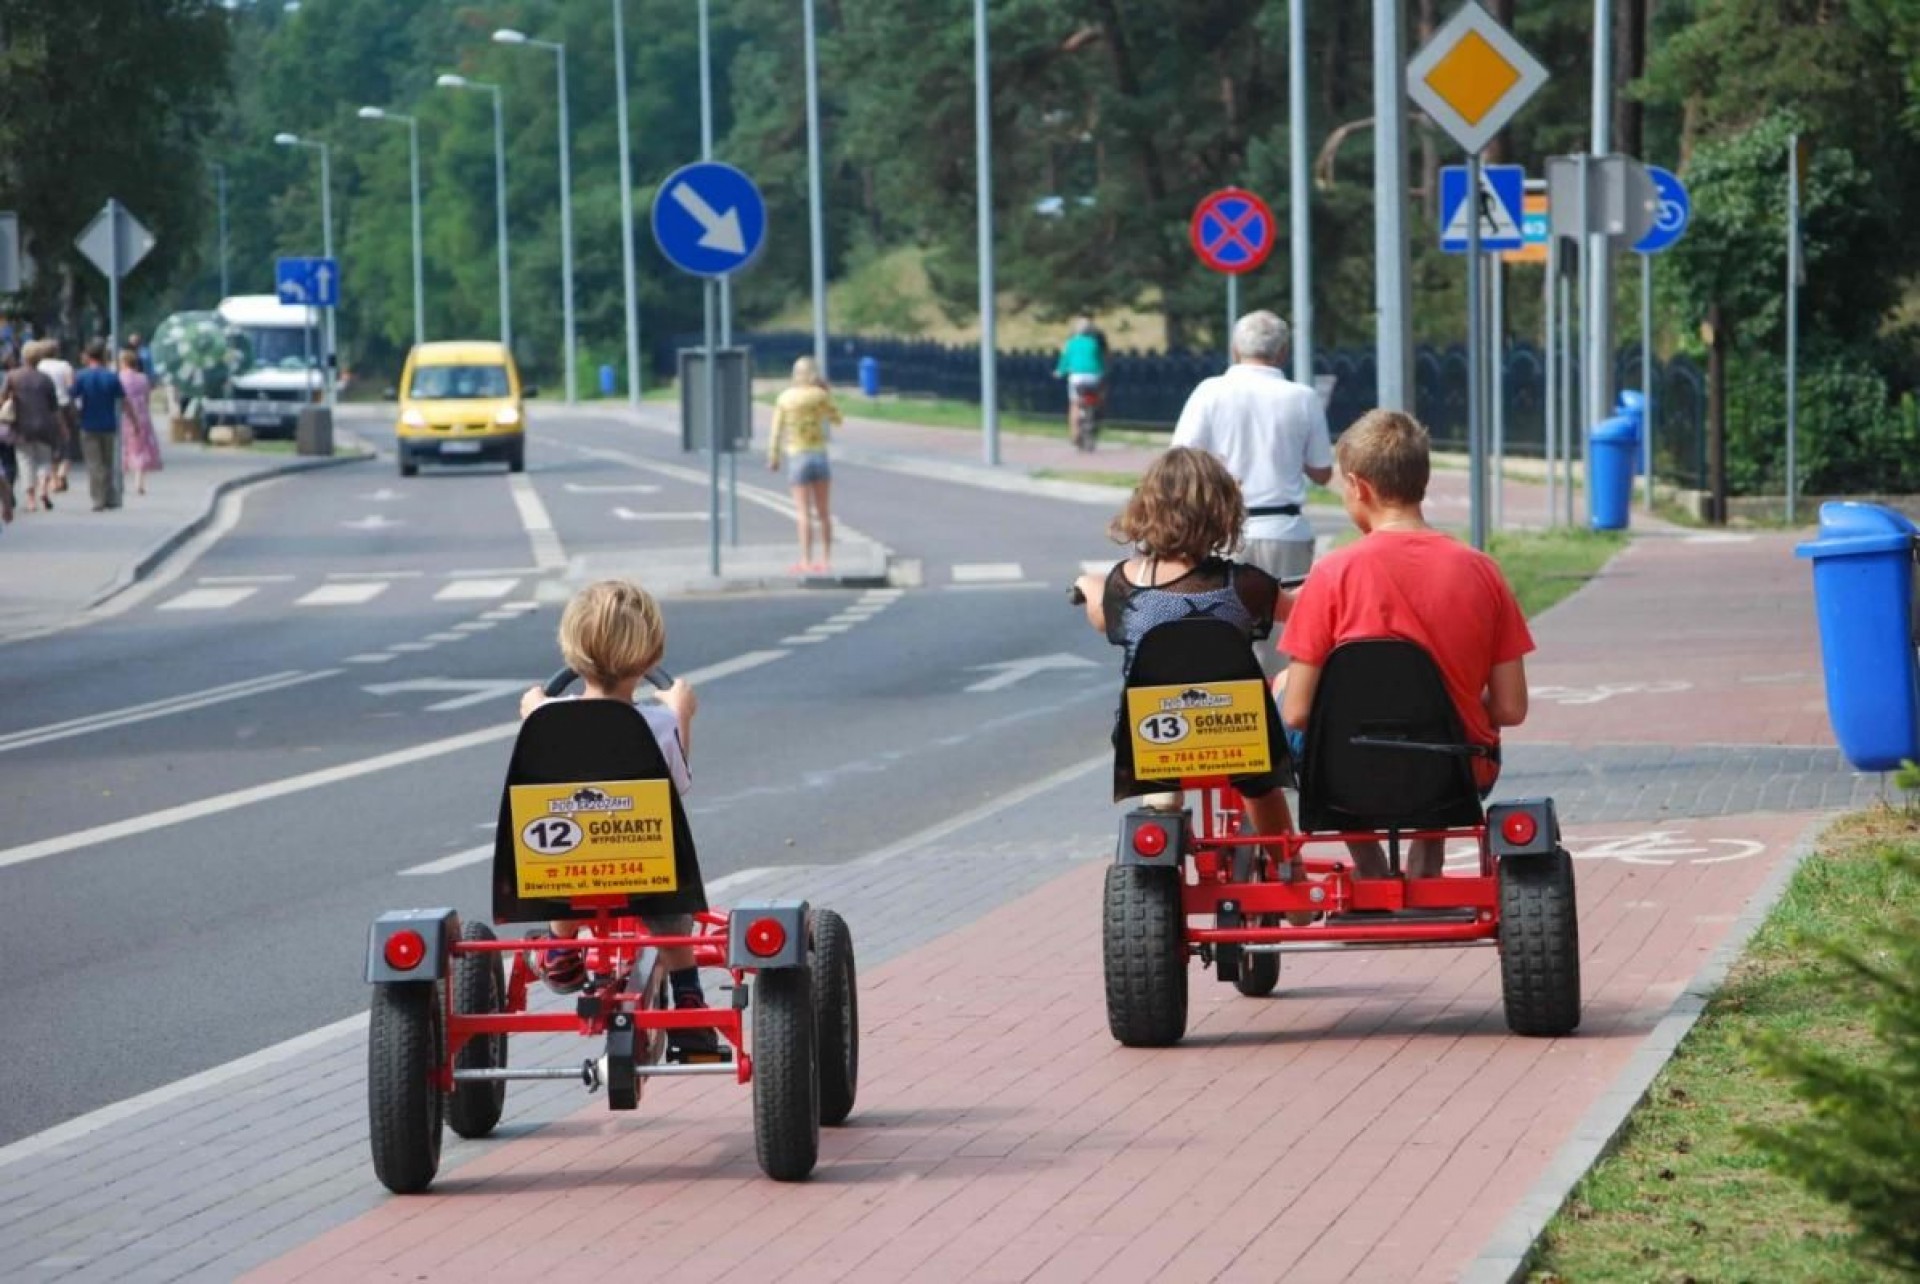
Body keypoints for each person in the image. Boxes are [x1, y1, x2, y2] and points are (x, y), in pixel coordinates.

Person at [1277, 409, 1534, 881]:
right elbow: (1512, 708)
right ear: (1422, 479)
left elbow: (1296, 713)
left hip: (1344, 774)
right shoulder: (1482, 571)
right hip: (1451, 772)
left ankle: (1369, 863)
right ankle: (1427, 853)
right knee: (1451, 707)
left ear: (1360, 487)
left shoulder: (1333, 574)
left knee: (1283, 685)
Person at [1072, 448, 1307, 908]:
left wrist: (1086, 584)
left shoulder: (1123, 586)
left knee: (1161, 767)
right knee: (1261, 787)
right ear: (1223, 513)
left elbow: (1102, 617)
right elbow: (1298, 612)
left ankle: (1164, 805)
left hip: (1154, 737)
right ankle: (1289, 873)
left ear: (1146, 508)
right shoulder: (1245, 585)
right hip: (1239, 735)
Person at [517, 579, 720, 1057]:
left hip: (563, 873)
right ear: (649, 657)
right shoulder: (660, 722)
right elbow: (678, 787)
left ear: (573, 651)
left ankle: (562, 946)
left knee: (556, 856)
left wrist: (533, 712)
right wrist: (681, 715)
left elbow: (539, 788)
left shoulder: (547, 720)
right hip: (648, 869)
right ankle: (688, 998)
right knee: (671, 909)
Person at [1171, 310, 1333, 589]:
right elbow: (1322, 472)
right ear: (1283, 352)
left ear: (1235, 349)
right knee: (1284, 628)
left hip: (1219, 530)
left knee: (1224, 627)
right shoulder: (1303, 398)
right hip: (1285, 531)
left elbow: (1178, 464)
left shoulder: (1209, 392)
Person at [767, 356, 843, 574]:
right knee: (824, 512)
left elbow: (776, 430)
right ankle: (827, 559)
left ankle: (806, 560)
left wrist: (773, 456)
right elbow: (837, 419)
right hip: (819, 455)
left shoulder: (784, 398)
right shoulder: (819, 396)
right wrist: (827, 394)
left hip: (798, 456)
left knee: (803, 513)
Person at [3, 343, 68, 513]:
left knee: (25, 462)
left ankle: (31, 499)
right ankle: (44, 491)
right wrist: (62, 427)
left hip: (21, 426)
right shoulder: (45, 379)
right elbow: (54, 407)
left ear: (24, 357)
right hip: (44, 426)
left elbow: (2, 399)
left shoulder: (13, 376)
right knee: (44, 460)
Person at [68, 340, 125, 512]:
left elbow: (71, 396)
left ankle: (98, 499)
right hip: (108, 424)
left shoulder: (81, 376)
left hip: (88, 424)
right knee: (108, 463)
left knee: (94, 464)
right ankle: (111, 497)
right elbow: (122, 399)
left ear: (88, 356)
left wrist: (74, 415)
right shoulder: (111, 376)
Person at [1055, 316, 1106, 450]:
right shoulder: (1094, 343)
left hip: (1077, 378)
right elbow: (1100, 360)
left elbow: (1064, 360)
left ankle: (1075, 434)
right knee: (1097, 398)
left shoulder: (1070, 343)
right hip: (1094, 376)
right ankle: (1095, 413)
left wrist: (1060, 371)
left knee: (1074, 404)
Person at [117, 348, 162, 496]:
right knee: (140, 449)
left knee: (123, 448)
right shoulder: (143, 378)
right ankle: (139, 483)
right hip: (141, 416)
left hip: (123, 417)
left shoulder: (119, 378)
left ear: (123, 363)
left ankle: (120, 482)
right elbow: (147, 398)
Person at [37, 339, 75, 493]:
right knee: (66, 441)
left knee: (50, 444)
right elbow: (71, 387)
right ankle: (62, 473)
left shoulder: (39, 367)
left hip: (44, 407)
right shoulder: (64, 366)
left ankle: (53, 480)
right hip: (63, 404)